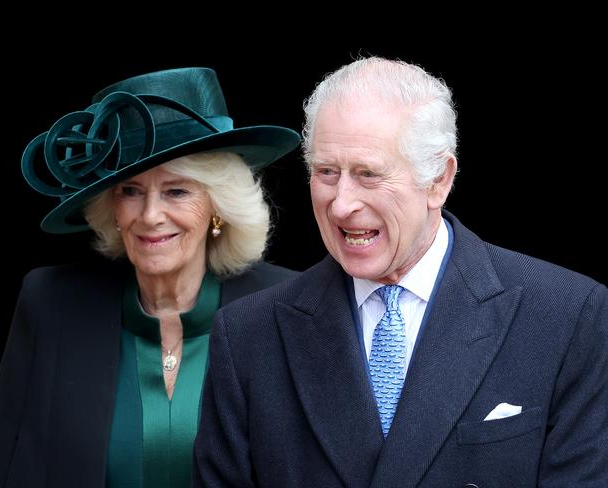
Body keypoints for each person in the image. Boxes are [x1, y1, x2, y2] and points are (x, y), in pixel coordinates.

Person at [192, 57, 608, 487]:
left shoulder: (565, 315)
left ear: (438, 181)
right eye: (326, 172)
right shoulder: (247, 334)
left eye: (368, 174)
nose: (341, 204)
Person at [0, 67, 300, 487]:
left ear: (218, 205)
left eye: (177, 191)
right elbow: (2, 470)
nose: (150, 216)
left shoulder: (285, 307)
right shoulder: (52, 304)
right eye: (130, 191)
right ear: (111, 208)